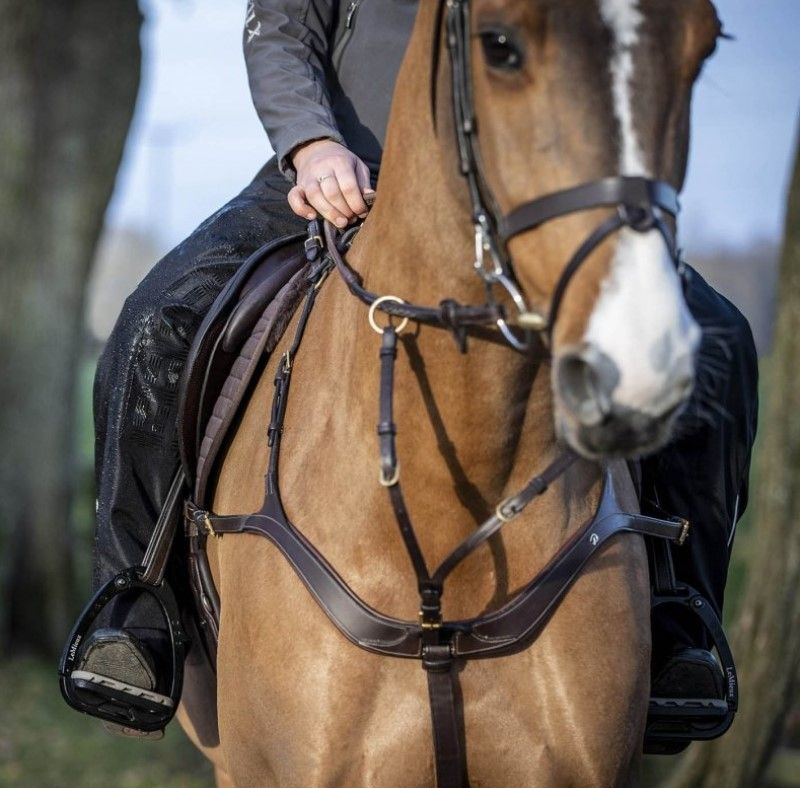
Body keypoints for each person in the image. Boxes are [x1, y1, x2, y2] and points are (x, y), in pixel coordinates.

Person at [64, 0, 758, 735]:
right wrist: (311, 142)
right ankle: (136, 605)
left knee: (720, 339)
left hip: (523, 183)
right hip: (340, 178)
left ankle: (678, 614)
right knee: (154, 323)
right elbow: (281, 29)